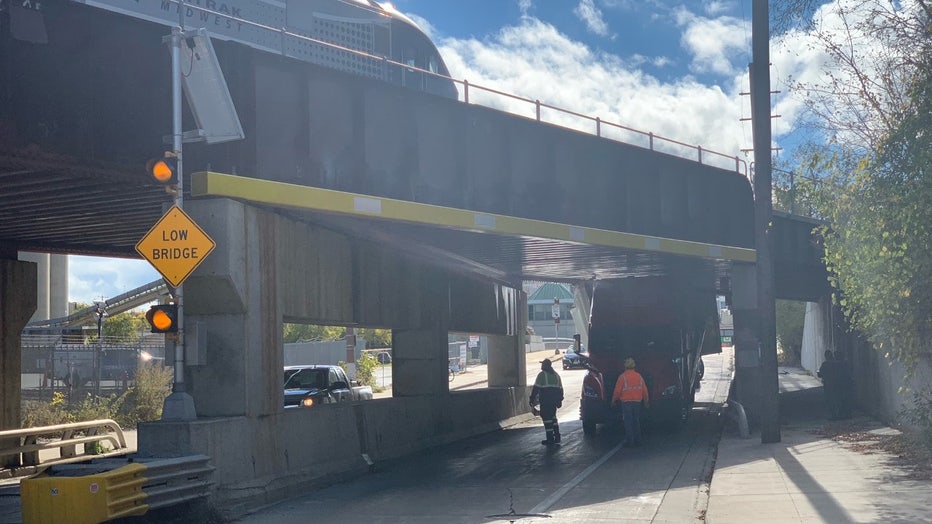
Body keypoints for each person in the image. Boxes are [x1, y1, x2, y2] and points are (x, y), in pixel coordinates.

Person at [612, 357, 650, 447]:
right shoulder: (639, 376)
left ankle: (630, 442)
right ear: (634, 366)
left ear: (625, 366)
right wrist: (646, 401)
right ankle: (638, 440)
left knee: (628, 422)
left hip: (626, 402)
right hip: (637, 402)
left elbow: (617, 391)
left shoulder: (622, 377)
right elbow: (645, 390)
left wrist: (613, 401)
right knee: (636, 421)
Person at [529, 358, 564, 446]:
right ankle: (557, 436)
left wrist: (531, 399)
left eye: (542, 364)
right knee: (553, 418)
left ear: (545, 365)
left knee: (547, 419)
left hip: (545, 401)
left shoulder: (542, 375)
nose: (541, 366)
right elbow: (561, 389)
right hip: (553, 402)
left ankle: (550, 439)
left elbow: (536, 388)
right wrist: (559, 401)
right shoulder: (556, 375)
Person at [818, 350, 843, 420]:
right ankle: (839, 414)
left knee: (830, 400)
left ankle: (834, 415)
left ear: (826, 356)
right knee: (838, 399)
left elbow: (820, 374)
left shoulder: (825, 364)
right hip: (838, 384)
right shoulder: (838, 364)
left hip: (828, 384)